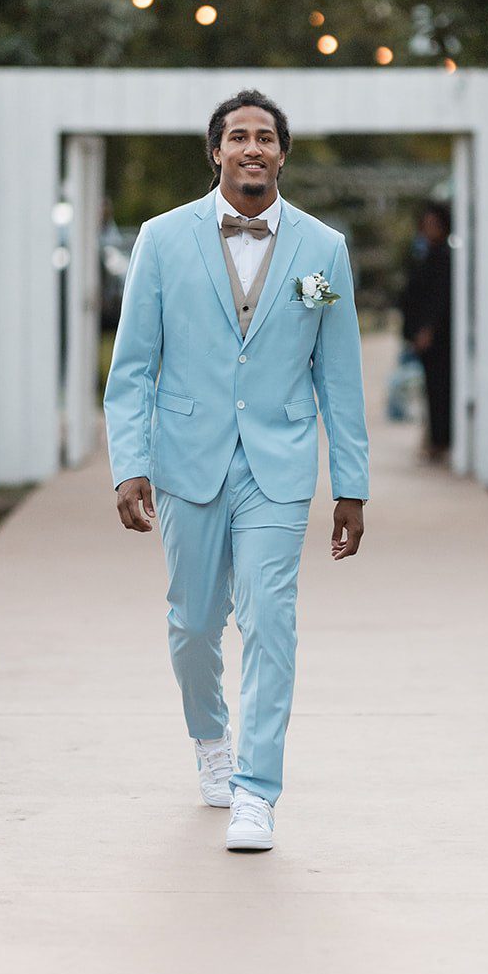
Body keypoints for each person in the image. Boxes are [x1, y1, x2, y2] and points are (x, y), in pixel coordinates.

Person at [103, 90, 370, 853]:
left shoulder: (322, 251)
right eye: (237, 137)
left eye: (265, 138)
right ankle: (208, 739)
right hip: (187, 460)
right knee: (192, 624)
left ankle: (257, 790)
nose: (251, 148)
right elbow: (132, 369)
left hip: (279, 466)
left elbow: (338, 375)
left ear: (283, 154)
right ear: (215, 152)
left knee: (270, 623)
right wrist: (130, 466)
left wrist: (350, 485)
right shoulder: (160, 239)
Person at [400, 201, 453, 459]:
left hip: (437, 339)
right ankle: (434, 437)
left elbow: (440, 299)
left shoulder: (444, 258)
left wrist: (427, 330)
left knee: (439, 389)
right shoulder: (423, 254)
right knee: (429, 390)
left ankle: (441, 440)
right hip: (423, 336)